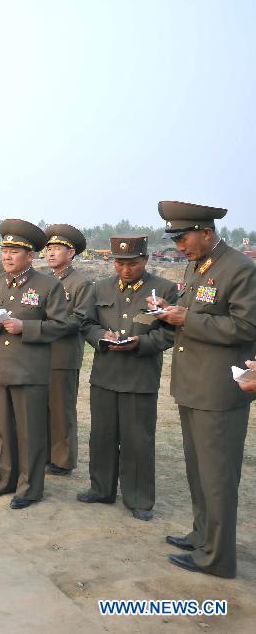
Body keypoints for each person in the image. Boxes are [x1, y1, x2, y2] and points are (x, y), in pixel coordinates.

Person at [150, 200, 255, 578]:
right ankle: (202, 536)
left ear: (207, 233)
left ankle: (218, 558)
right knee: (198, 471)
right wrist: (168, 309)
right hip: (194, 385)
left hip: (218, 390)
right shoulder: (200, 265)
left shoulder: (240, 269)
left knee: (218, 476)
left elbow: (246, 328)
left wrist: (187, 318)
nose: (180, 247)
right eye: (175, 241)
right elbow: (194, 312)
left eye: (184, 239)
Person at [77, 235, 177, 521]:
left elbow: (169, 333)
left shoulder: (165, 289)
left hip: (140, 376)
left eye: (132, 263)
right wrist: (101, 337)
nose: (125, 269)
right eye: (120, 263)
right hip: (105, 374)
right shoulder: (100, 288)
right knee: (102, 436)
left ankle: (139, 498)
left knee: (137, 440)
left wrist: (141, 343)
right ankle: (101, 489)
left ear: (145, 260)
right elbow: (87, 324)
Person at [0, 219, 70, 509]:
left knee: (29, 431)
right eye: (5, 250)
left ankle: (30, 487)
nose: (7, 256)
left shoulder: (48, 285)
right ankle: (6, 479)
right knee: (2, 429)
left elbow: (62, 324)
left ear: (30, 256)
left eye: (14, 251)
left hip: (29, 371)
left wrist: (25, 327)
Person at [43, 224, 95, 476]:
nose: (51, 254)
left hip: (63, 355)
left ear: (71, 253)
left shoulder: (80, 283)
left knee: (62, 410)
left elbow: (80, 319)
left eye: (57, 249)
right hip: (39, 354)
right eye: (49, 249)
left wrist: (46, 326)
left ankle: (63, 460)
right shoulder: (43, 280)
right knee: (41, 408)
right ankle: (44, 453)